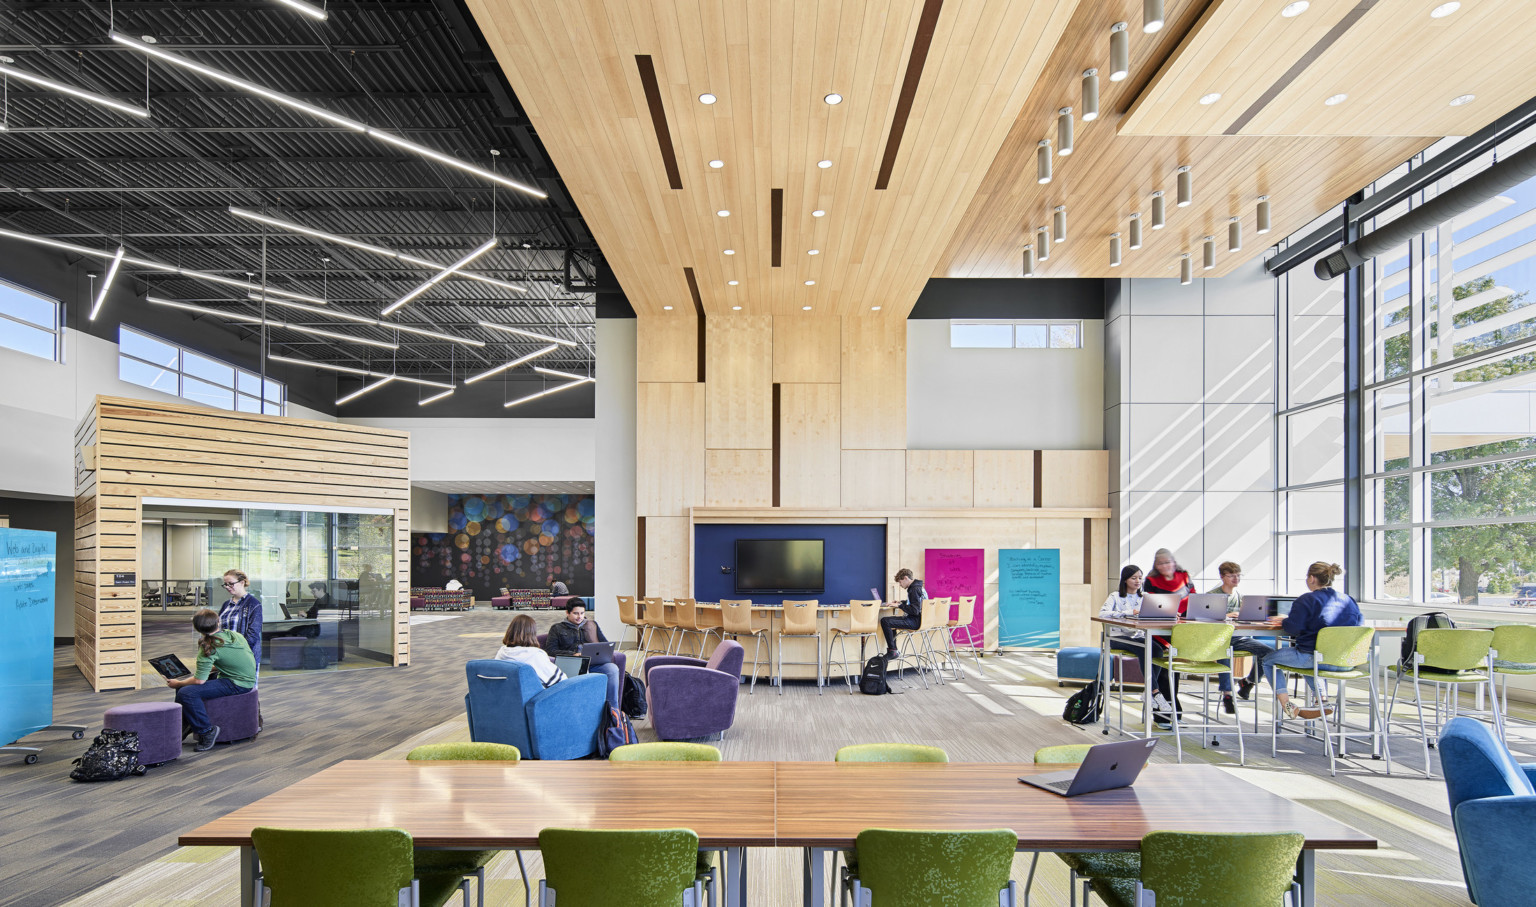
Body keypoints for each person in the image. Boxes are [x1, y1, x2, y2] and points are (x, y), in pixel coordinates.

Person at [1257, 562, 1362, 720]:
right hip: (1346, 661)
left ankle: (1287, 705)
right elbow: (1358, 626)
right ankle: (1322, 701)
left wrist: (1284, 621)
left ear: (1312, 578)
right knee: (1314, 658)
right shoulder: (1349, 600)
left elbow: (1293, 628)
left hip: (1314, 659)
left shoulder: (1306, 600)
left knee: (1268, 661)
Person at [1099, 565, 1180, 728]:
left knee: (1157, 649)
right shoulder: (1115, 596)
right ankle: (1155, 693)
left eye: (1140, 578)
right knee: (1146, 647)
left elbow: (1156, 613)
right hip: (1117, 637)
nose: (1138, 581)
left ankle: (1149, 690)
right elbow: (1102, 614)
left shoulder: (1146, 597)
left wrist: (1169, 613)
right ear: (1125, 580)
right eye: (1134, 578)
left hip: (1139, 636)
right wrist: (1129, 612)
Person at [167, 608, 256, 752]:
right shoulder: (234, 635)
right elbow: (232, 659)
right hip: (245, 677)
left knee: (185, 692)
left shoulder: (208, 647)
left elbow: (199, 681)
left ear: (197, 629)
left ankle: (206, 731)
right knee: (184, 686)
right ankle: (185, 723)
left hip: (237, 683)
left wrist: (178, 683)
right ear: (218, 622)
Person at [1208, 561, 1271, 715]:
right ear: (1222, 577)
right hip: (1219, 639)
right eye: (1231, 576)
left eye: (1238, 575)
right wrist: (1228, 615)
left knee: (1268, 653)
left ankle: (1249, 681)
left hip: (1240, 638)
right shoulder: (1211, 596)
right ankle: (1227, 694)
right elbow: (1204, 618)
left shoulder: (1242, 597)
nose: (1236, 578)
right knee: (1225, 650)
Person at [543, 599, 620, 708]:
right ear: (567, 612)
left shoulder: (592, 625)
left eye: (582, 613)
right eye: (575, 613)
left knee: (612, 669)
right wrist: (572, 654)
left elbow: (605, 644)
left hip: (593, 663)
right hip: (572, 665)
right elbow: (550, 650)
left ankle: (613, 711)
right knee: (585, 676)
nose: (579, 617)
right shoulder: (557, 628)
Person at [496, 614, 567, 688]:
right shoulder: (534, 654)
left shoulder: (501, 652)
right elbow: (559, 680)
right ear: (532, 633)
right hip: (533, 696)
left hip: (508, 695)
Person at [218, 570, 263, 670]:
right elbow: (219, 628)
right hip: (225, 655)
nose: (227, 587)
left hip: (243, 655)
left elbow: (253, 634)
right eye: (225, 584)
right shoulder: (226, 604)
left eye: (231, 584)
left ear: (242, 582)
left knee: (242, 684)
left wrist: (237, 653)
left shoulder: (253, 604)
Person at [881, 568, 927, 660]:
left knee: (885, 621)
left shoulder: (913, 589)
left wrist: (899, 605)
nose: (900, 585)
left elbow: (914, 610)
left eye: (900, 582)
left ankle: (892, 651)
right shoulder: (919, 587)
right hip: (922, 620)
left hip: (915, 621)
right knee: (891, 621)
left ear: (906, 578)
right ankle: (893, 650)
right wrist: (901, 602)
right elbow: (915, 603)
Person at [1144, 548, 1195, 615]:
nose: (1164, 566)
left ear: (1174, 562)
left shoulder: (1184, 575)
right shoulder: (1150, 580)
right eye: (1160, 563)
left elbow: (1194, 597)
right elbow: (1150, 605)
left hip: (1187, 617)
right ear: (1155, 566)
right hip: (1163, 618)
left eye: (1167, 562)